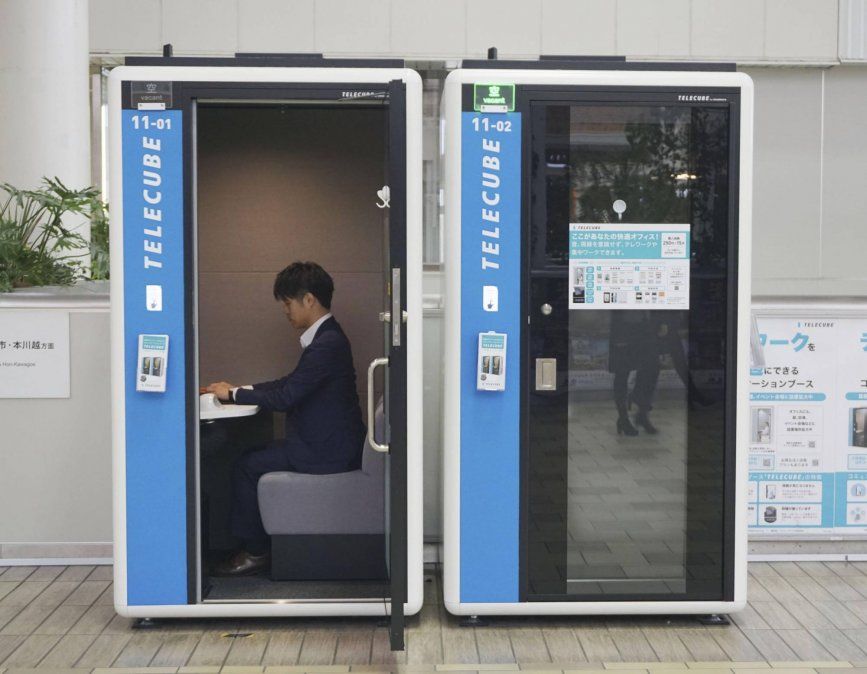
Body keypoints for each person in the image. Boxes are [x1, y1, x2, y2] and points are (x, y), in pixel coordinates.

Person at [206, 262, 366, 576]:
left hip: (326, 452)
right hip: (325, 445)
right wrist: (240, 389)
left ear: (309, 300)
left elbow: (286, 397)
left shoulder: (327, 344)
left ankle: (255, 552)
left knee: (246, 465)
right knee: (252, 456)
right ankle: (254, 547)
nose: (285, 310)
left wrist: (234, 394)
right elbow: (290, 383)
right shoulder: (327, 338)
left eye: (288, 302)